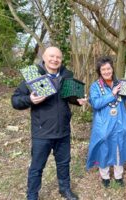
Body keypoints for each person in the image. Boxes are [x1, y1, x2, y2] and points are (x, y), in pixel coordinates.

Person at [11, 46, 87, 200]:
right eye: (51, 56)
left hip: (63, 130)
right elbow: (15, 100)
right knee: (37, 167)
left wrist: (79, 101)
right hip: (42, 131)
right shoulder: (33, 75)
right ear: (44, 58)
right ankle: (32, 195)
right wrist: (30, 99)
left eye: (58, 57)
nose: (55, 60)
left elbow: (69, 98)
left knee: (64, 163)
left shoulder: (67, 75)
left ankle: (64, 189)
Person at [86, 56, 126, 188]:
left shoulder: (120, 83)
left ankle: (118, 176)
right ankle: (105, 176)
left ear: (112, 68)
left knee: (118, 149)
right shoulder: (95, 86)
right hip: (103, 125)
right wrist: (112, 94)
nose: (106, 71)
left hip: (119, 123)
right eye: (103, 69)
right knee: (104, 149)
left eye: (108, 68)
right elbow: (95, 103)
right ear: (99, 71)